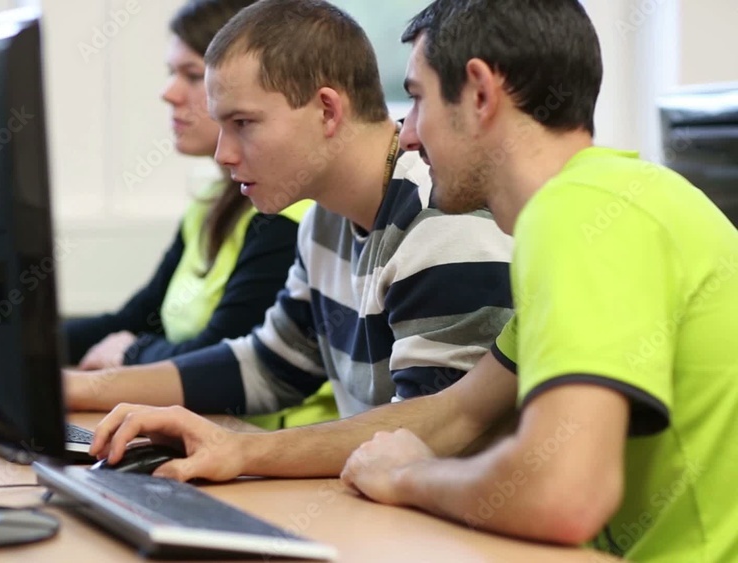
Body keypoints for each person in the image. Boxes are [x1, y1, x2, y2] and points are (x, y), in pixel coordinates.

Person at [335, 1, 737, 561]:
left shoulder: (578, 212)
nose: (408, 137)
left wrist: (407, 477)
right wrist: (244, 452)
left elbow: (563, 495)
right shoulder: (612, 196)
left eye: (420, 99)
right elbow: (455, 414)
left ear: (480, 93)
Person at [70, 0, 516, 477]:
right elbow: (270, 366)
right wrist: (77, 388)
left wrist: (241, 450)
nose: (223, 154)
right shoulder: (323, 220)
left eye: (243, 124)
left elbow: (429, 434)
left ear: (327, 110)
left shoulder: (442, 218)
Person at [63, 0, 336, 430]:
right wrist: (21, 349)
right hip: (213, 430)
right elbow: (137, 319)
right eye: (173, 73)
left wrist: (132, 353)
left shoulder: (289, 215)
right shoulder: (211, 201)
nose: (169, 92)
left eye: (191, 76)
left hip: (269, 443)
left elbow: (225, 358)